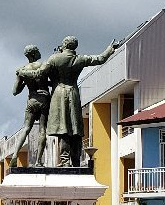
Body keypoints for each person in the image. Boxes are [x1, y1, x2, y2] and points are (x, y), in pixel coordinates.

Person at [44, 36, 121, 166]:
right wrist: (110, 49)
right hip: (73, 93)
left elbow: (41, 74)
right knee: (74, 128)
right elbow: (100, 59)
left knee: (63, 128)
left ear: (64, 45)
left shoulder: (54, 59)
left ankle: (64, 160)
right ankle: (75, 160)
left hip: (59, 94)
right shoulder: (79, 59)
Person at [9, 45, 52, 168]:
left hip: (31, 99)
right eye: (38, 51)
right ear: (34, 54)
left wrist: (24, 83)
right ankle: (38, 161)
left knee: (26, 128)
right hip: (44, 98)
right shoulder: (44, 66)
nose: (39, 53)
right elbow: (51, 81)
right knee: (42, 129)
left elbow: (15, 92)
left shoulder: (22, 70)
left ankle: (15, 155)